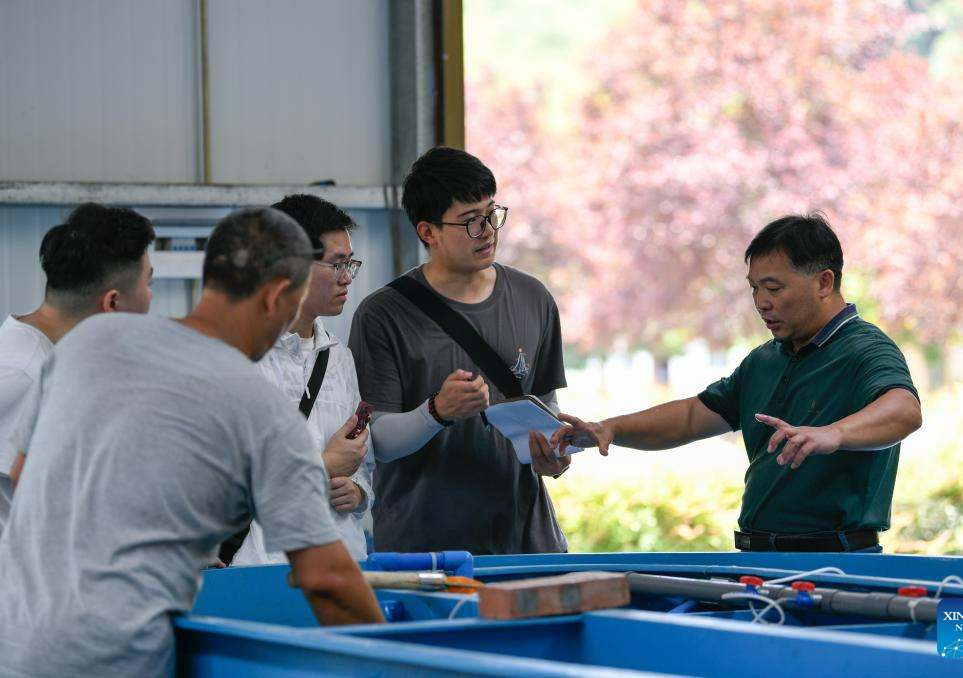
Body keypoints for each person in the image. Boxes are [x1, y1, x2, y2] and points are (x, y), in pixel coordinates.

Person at [0, 207, 383, 677]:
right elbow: (327, 579)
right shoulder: (258, 408)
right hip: (111, 656)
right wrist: (395, 662)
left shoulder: (88, 342)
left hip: (14, 641)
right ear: (277, 296)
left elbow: (27, 475)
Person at [544, 213, 922, 553]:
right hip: (758, 560)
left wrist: (833, 434)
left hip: (836, 562)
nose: (761, 302)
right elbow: (691, 417)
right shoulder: (764, 359)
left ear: (824, 282)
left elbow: (905, 410)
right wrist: (610, 428)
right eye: (754, 288)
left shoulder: (865, 348)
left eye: (774, 288)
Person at [349, 146, 571, 555]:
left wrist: (553, 453)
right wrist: (435, 412)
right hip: (425, 552)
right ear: (428, 232)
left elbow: (545, 405)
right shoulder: (382, 315)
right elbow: (376, 441)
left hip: (525, 544)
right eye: (470, 221)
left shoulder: (533, 297)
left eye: (491, 213)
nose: (487, 230)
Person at [231, 194, 375, 565]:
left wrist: (357, 492)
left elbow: (363, 464)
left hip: (343, 562)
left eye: (350, 264)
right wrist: (322, 468)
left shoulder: (339, 358)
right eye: (337, 265)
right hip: (261, 571)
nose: (347, 278)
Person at [0, 202, 154, 538]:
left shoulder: (60, 362)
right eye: (148, 282)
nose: (150, 296)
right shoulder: (20, 373)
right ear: (113, 303)